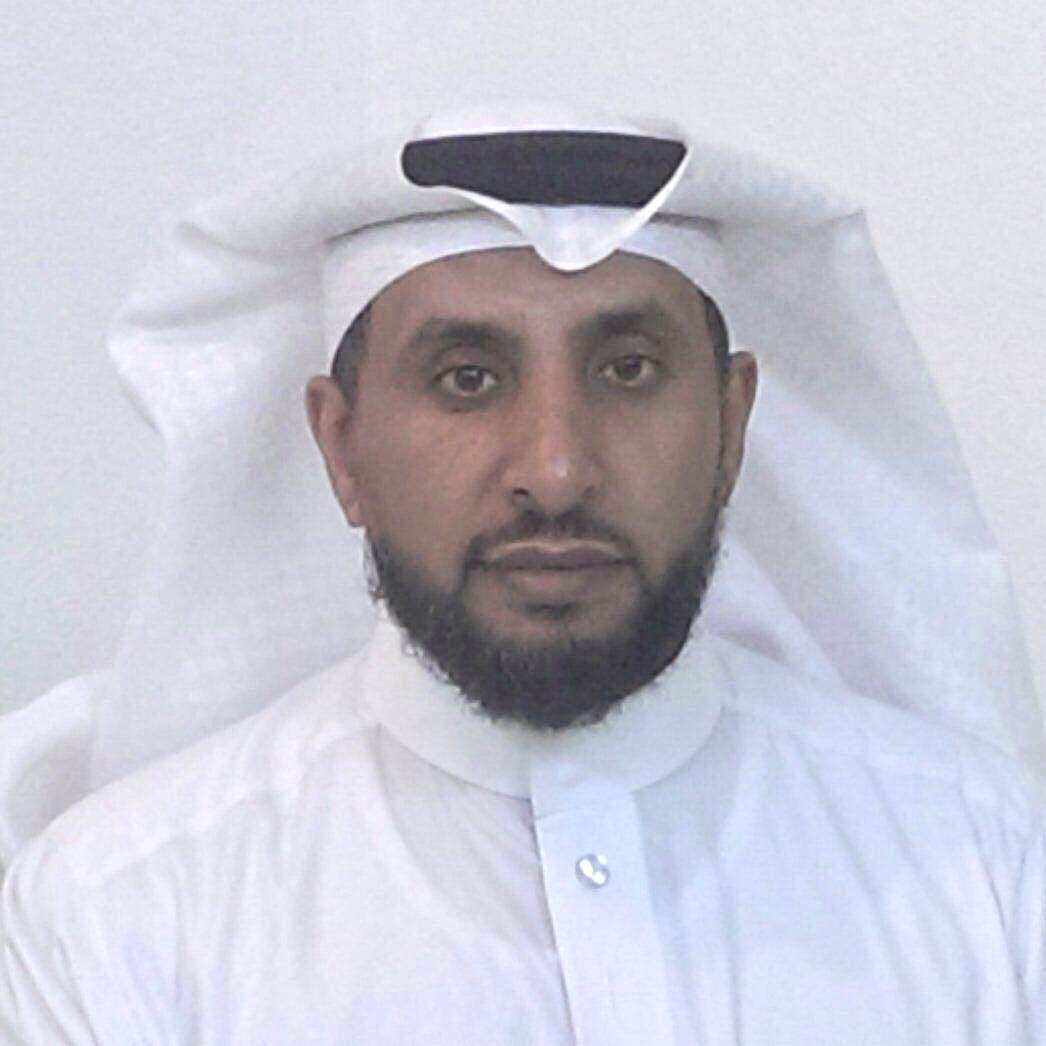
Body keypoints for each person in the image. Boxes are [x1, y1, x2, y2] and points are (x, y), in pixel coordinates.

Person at [1, 104, 1043, 1043]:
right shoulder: (117, 918)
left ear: (730, 427)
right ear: (342, 445)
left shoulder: (988, 866)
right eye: (468, 378)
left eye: (627, 369)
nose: (555, 470)